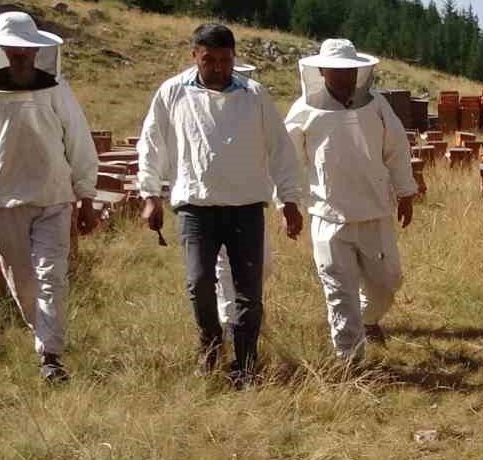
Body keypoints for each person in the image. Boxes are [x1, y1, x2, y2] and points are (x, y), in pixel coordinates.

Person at [137, 23, 304, 386]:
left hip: (246, 206)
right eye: (209, 59)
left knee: (249, 290)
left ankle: (245, 364)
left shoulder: (254, 93)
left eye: (225, 60)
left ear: (234, 58)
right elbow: (152, 145)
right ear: (194, 54)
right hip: (196, 206)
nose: (217, 67)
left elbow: (280, 149)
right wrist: (150, 195)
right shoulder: (173, 92)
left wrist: (289, 200)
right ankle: (211, 347)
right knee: (199, 282)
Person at [0, 11, 99, 383]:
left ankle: (50, 357)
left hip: (54, 198)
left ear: (36, 50)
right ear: (1, 48)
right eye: (13, 48)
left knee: (52, 278)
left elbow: (78, 142)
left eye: (27, 49)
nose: (20, 54)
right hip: (3, 198)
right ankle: (43, 336)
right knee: (22, 282)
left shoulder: (57, 88)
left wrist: (86, 197)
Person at [283, 38, 416, 362]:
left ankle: (369, 320)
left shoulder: (377, 105)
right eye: (338, 71)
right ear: (323, 70)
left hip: (375, 210)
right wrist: (287, 203)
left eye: (351, 71)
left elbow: (396, 151)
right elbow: (286, 160)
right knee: (339, 292)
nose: (345, 77)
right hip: (328, 214)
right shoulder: (304, 110)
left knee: (388, 282)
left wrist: (406, 192)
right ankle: (350, 362)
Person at [213, 62, 273, 332]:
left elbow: (274, 151)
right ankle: (229, 324)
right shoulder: (202, 114)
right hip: (213, 204)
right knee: (224, 266)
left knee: (260, 266)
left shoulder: (255, 108)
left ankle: (244, 315)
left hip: (250, 204)